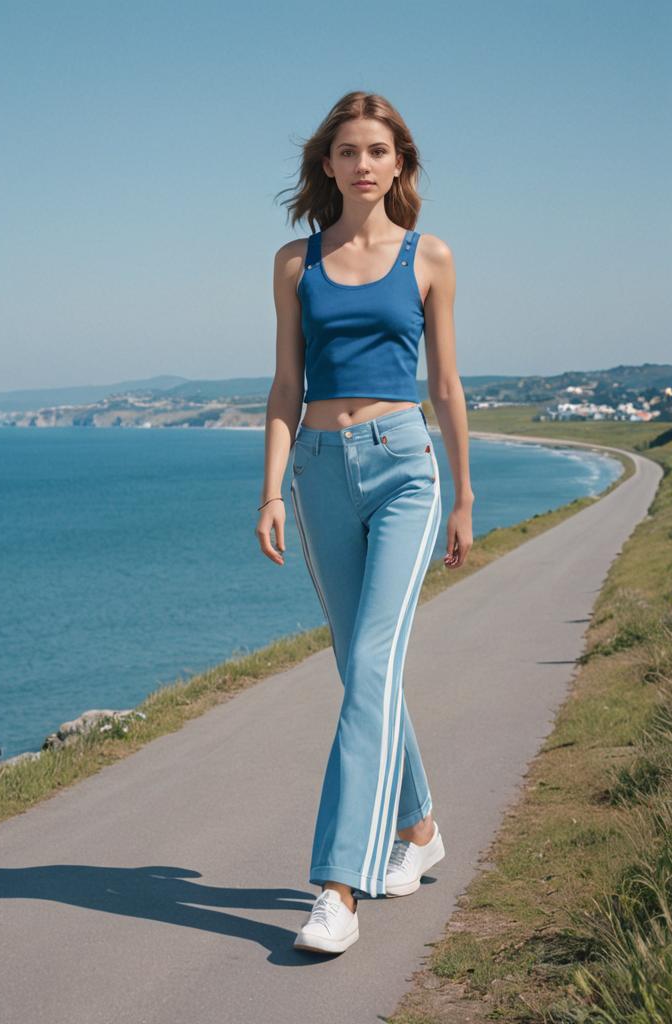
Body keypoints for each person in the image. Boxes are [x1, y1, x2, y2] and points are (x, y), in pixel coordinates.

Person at [256, 91, 474, 955]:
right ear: (327, 165)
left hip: (404, 470)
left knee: (375, 664)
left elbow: (447, 389)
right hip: (316, 471)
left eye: (377, 150)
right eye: (347, 151)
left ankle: (337, 887)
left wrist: (463, 494)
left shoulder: (431, 259)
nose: (362, 164)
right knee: (360, 670)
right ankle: (420, 828)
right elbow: (284, 386)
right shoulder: (293, 263)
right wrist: (270, 490)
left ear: (399, 164)